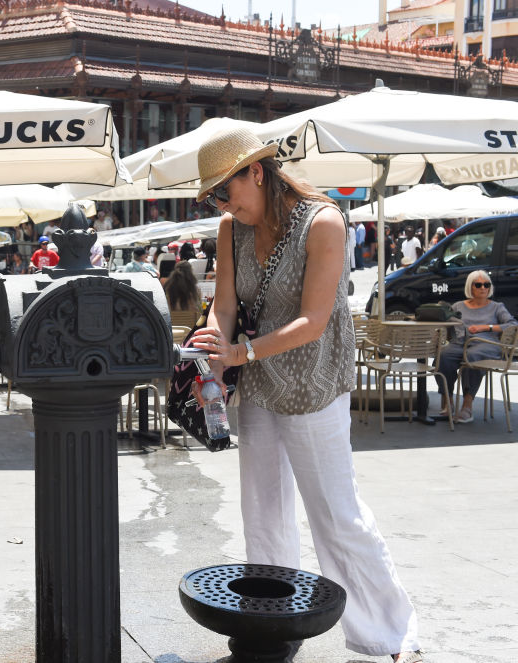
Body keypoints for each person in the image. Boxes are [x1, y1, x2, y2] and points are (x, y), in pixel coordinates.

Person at [189, 127, 422, 663]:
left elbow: (314, 320)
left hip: (314, 380)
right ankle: (274, 630)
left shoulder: (323, 222)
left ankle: (391, 635)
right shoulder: (230, 228)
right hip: (259, 380)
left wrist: (241, 353)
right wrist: (215, 350)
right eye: (212, 197)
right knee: (262, 511)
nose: (221, 204)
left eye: (224, 190)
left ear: (256, 172)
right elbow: (225, 305)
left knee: (336, 514)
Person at [436, 270, 517, 424]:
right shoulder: (458, 306)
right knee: (443, 356)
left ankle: (467, 405)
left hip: (487, 344)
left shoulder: (497, 307)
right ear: (470, 287)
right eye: (478, 285)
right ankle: (448, 401)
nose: (483, 288)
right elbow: (447, 324)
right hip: (460, 343)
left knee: (472, 356)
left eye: (486, 285)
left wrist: (486, 327)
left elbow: (513, 324)